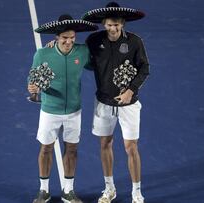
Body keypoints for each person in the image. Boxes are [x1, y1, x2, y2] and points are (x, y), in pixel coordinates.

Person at [82, 2, 149, 203]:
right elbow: (80, 56)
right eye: (110, 25)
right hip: (103, 102)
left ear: (123, 25)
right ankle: (109, 189)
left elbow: (144, 68)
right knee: (105, 144)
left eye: (118, 25)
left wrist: (130, 90)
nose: (114, 29)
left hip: (129, 104)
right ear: (104, 24)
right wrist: (54, 44)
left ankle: (136, 192)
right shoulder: (93, 40)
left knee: (131, 148)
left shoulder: (135, 42)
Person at [27, 14, 98, 203]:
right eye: (64, 38)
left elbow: (96, 65)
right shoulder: (43, 54)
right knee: (46, 148)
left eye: (72, 37)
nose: (68, 42)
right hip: (50, 110)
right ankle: (43, 191)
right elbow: (32, 79)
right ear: (56, 38)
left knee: (72, 149)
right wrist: (33, 88)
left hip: (74, 111)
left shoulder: (82, 52)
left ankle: (69, 191)